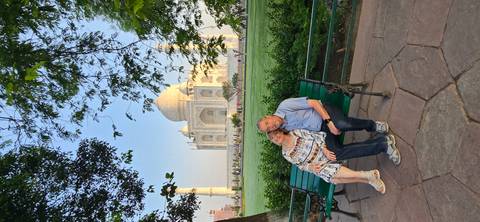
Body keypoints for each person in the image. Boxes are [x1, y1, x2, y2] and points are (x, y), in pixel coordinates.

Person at [257, 97, 401, 165]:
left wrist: (329, 122)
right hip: (321, 132)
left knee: (341, 124)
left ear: (267, 116)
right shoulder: (283, 131)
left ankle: (373, 126)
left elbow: (313, 103)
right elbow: (307, 138)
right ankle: (383, 144)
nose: (271, 126)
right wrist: (323, 148)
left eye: (268, 123)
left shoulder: (285, 106)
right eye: (268, 129)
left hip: (324, 112)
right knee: (336, 154)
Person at [267, 128, 387, 194]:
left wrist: (324, 149)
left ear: (281, 131)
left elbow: (314, 135)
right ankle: (369, 179)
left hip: (323, 151)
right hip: (318, 165)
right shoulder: (285, 154)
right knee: (334, 178)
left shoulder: (295, 133)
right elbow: (301, 166)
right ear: (274, 143)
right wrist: (311, 168)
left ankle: (368, 176)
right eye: (274, 139)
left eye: (276, 134)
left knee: (331, 175)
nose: (277, 138)